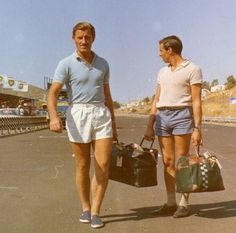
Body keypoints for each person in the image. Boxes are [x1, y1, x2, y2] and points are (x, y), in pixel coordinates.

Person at [47, 21, 117, 229]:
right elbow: (53, 92)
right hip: (78, 113)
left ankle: (96, 211)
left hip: (100, 113)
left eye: (87, 37)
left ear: (93, 38)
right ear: (74, 38)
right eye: (80, 37)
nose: (84, 41)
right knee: (83, 164)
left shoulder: (103, 63)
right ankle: (85, 208)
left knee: (103, 164)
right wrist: (53, 116)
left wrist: (113, 120)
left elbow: (107, 95)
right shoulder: (66, 63)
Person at [145, 35, 202, 218]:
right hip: (162, 117)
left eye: (161, 50)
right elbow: (157, 98)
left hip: (182, 116)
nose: (159, 54)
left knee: (182, 161)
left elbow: (196, 101)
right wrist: (150, 124)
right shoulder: (162, 72)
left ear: (170, 50)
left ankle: (184, 204)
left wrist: (197, 127)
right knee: (167, 161)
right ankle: (170, 202)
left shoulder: (193, 69)